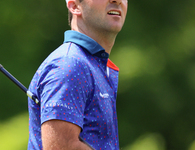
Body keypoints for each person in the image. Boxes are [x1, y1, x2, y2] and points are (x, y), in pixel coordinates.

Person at [27, 0, 128, 149]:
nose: (117, 0)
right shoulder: (69, 64)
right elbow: (61, 147)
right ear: (75, 6)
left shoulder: (91, 64)